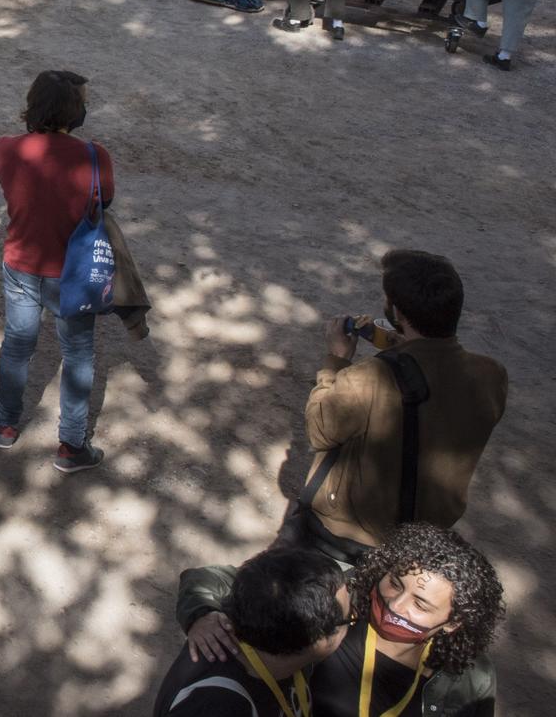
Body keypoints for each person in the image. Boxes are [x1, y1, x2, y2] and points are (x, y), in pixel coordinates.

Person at [283, 249, 508, 561]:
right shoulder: (492, 375)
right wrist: (401, 343)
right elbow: (438, 381)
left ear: (398, 313)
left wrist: (336, 359)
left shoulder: (370, 377)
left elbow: (319, 431)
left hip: (352, 535)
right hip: (425, 535)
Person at [175, 524, 504, 717]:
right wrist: (203, 613)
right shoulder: (342, 593)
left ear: (452, 622)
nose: (394, 604)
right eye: (395, 583)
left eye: (419, 603)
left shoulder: (471, 678)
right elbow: (216, 578)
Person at [0, 69, 111, 472]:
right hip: (73, 272)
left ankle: (5, 423)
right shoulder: (95, 157)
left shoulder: (6, 149)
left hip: (21, 263)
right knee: (78, 352)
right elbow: (103, 200)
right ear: (76, 111)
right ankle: (71, 445)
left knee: (18, 343)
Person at [153, 546, 352, 717]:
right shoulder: (214, 706)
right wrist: (199, 612)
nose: (355, 611)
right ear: (320, 641)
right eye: (349, 616)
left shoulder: (260, 602)